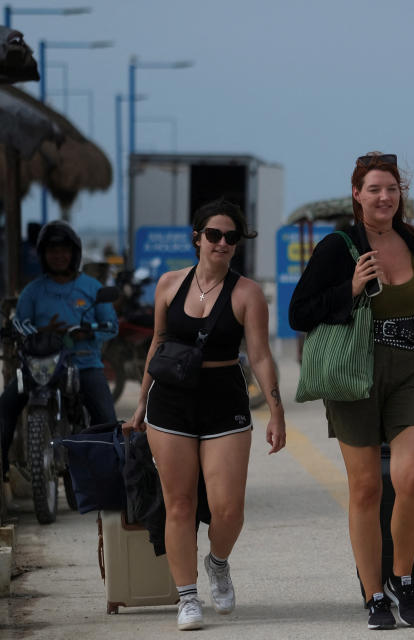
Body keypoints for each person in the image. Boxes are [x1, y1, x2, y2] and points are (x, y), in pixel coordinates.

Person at [288, 151, 414, 630]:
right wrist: (351, 289)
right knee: (365, 487)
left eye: (392, 189)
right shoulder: (337, 248)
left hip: (413, 371)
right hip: (354, 373)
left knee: (413, 479)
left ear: (401, 195)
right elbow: (299, 313)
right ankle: (374, 593)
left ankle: (403, 579)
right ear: (357, 194)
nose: (385, 197)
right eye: (374, 189)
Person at [124, 198, 286, 631]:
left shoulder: (247, 293)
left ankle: (218, 562)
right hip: (170, 402)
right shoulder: (168, 285)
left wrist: (276, 411)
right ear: (196, 238)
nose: (222, 243)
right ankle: (187, 597)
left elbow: (261, 356)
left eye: (231, 237)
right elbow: (157, 345)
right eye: (213, 235)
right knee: (179, 504)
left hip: (224, 401)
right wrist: (140, 403)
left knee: (228, 508)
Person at [1, 220, 118, 483]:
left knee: (107, 418)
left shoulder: (91, 287)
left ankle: (115, 480)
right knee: (5, 405)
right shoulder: (33, 290)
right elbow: (20, 322)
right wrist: (42, 330)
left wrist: (88, 331)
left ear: (74, 253)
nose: (58, 255)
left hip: (84, 364)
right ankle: (3, 469)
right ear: (43, 255)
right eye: (52, 251)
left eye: (64, 250)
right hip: (40, 365)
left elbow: (111, 326)